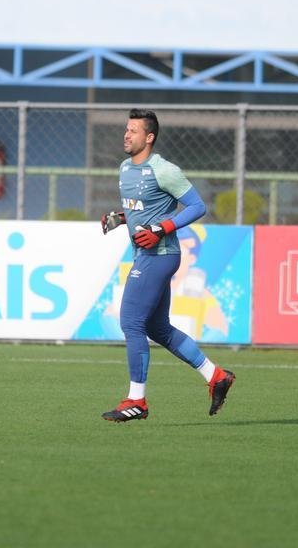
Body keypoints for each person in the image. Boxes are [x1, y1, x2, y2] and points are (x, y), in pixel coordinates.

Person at [100, 108, 235, 422]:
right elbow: (139, 209)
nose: (126, 134)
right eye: (126, 129)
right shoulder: (124, 168)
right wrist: (119, 218)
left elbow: (197, 206)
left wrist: (163, 228)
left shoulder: (164, 170)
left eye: (133, 131)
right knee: (157, 328)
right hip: (146, 256)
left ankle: (137, 401)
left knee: (131, 322)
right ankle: (215, 376)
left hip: (160, 256)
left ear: (149, 138)